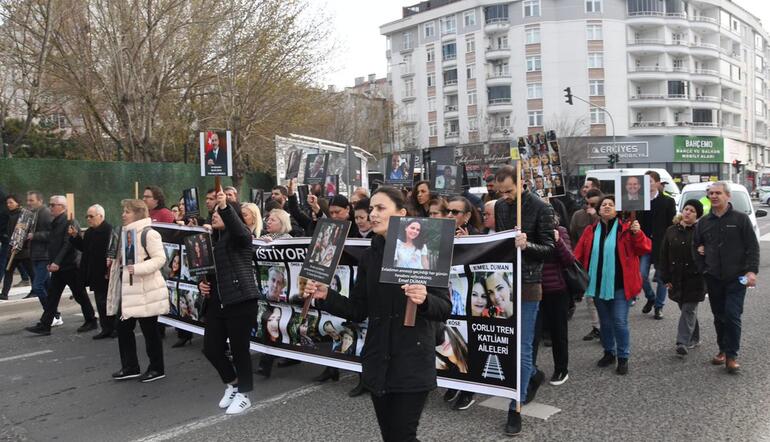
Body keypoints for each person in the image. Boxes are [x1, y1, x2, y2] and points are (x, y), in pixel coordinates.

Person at [303, 186, 451, 442]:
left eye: (381, 208)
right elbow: (359, 310)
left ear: (402, 214)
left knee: (403, 436)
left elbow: (445, 308)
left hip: (412, 361)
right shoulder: (369, 258)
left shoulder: (425, 252)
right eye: (371, 208)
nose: (373, 214)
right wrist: (327, 296)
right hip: (378, 360)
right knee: (390, 437)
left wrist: (425, 300)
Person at [493, 165, 555, 436]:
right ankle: (531, 375)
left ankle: (514, 407)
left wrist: (526, 244)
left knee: (523, 345)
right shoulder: (500, 207)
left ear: (522, 184)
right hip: (505, 282)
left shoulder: (542, 208)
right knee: (507, 341)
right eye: (500, 192)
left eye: (509, 190)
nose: (505, 196)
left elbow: (550, 250)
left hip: (529, 283)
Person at [574, 195, 651, 376]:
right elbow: (578, 254)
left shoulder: (627, 229)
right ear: (599, 210)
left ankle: (623, 357)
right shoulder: (590, 231)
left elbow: (644, 249)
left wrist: (637, 233)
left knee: (619, 321)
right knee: (605, 323)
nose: (607, 207)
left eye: (611, 204)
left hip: (620, 286)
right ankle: (609, 352)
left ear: (617, 210)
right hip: (597, 284)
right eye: (603, 205)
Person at [199, 190, 259, 414]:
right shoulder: (213, 242)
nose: (213, 215)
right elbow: (207, 273)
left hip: (240, 300)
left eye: (218, 212)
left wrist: (225, 207)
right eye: (213, 212)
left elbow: (242, 233)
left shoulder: (239, 239)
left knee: (239, 349)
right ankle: (233, 384)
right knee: (211, 348)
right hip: (217, 302)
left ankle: (244, 394)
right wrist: (202, 285)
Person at [692, 182, 759, 373]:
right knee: (719, 316)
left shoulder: (741, 219)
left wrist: (751, 271)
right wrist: (703, 268)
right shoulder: (704, 222)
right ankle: (722, 348)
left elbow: (752, 247)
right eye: (711, 193)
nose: (714, 196)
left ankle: (731, 356)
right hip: (713, 277)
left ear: (727, 196)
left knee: (732, 315)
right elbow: (695, 246)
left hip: (737, 277)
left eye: (718, 193)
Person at [106, 199, 168, 383]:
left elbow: (160, 259)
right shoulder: (127, 233)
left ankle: (157, 368)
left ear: (138, 213)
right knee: (123, 328)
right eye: (123, 211)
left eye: (127, 211)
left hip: (146, 290)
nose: (123, 214)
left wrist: (137, 269)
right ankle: (130, 366)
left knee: (150, 332)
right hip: (130, 291)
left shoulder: (149, 234)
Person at [26, 195, 98, 336]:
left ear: (63, 207)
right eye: (50, 204)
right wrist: (51, 261)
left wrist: (56, 262)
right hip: (59, 267)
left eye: (53, 205)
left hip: (70, 266)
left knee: (79, 295)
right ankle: (45, 324)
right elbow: (53, 242)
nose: (50, 207)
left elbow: (68, 244)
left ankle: (91, 320)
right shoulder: (56, 222)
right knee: (53, 296)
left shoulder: (69, 222)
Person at [658, 200, 706, 357]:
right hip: (676, 278)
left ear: (697, 215)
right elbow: (664, 254)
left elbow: (713, 251)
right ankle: (694, 337)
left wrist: (705, 250)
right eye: (686, 209)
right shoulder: (671, 231)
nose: (688, 212)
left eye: (692, 210)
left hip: (696, 278)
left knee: (688, 309)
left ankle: (682, 342)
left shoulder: (702, 232)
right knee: (686, 309)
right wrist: (664, 277)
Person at [534, 213, 575, 386]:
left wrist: (557, 241)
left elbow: (569, 259)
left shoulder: (560, 230)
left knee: (558, 332)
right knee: (533, 334)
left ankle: (561, 369)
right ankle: (531, 370)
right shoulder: (529, 233)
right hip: (534, 289)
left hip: (556, 289)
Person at [69, 204, 116, 339]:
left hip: (106, 272)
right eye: (87, 216)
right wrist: (75, 237)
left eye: (91, 216)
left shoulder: (109, 230)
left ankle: (114, 328)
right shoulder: (90, 232)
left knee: (109, 302)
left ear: (101, 216)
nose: (88, 219)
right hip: (94, 272)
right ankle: (106, 328)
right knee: (100, 303)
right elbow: (85, 248)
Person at [638, 171, 677, 319]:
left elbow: (671, 224)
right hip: (644, 244)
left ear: (657, 183)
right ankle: (650, 297)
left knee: (661, 278)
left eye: (650, 181)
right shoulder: (639, 201)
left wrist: (670, 242)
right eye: (645, 181)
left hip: (662, 244)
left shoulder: (668, 201)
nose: (647, 184)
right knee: (641, 275)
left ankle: (659, 306)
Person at [569, 188, 603, 341]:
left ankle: (605, 328)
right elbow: (573, 236)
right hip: (585, 262)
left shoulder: (604, 216)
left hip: (603, 261)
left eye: (595, 204)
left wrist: (595, 216)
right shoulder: (578, 216)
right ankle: (597, 327)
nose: (591, 207)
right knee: (590, 298)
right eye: (589, 204)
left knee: (603, 298)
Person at [27, 191, 55, 319]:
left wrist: (35, 236)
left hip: (44, 255)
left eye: (31, 200)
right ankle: (55, 315)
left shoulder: (46, 213)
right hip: (36, 255)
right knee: (47, 287)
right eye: (28, 200)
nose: (29, 203)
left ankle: (49, 315)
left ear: (40, 201)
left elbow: (52, 234)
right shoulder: (33, 214)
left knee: (37, 286)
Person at [1, 195, 34, 300]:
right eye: (7, 203)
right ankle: (4, 294)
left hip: (23, 249)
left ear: (17, 202)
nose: (8, 205)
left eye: (11, 202)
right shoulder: (9, 215)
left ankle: (35, 291)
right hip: (12, 249)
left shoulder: (24, 214)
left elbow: (26, 231)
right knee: (8, 271)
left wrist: (20, 244)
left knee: (31, 272)